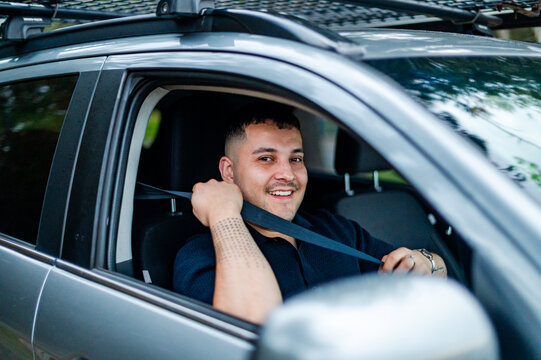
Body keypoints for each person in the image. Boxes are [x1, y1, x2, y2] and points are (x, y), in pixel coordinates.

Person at [173, 103, 447, 324]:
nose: (287, 174)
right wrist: (223, 212)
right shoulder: (201, 256)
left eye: (296, 159)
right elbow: (257, 331)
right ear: (229, 172)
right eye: (266, 159)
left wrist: (426, 262)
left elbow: (430, 274)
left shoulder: (336, 230)